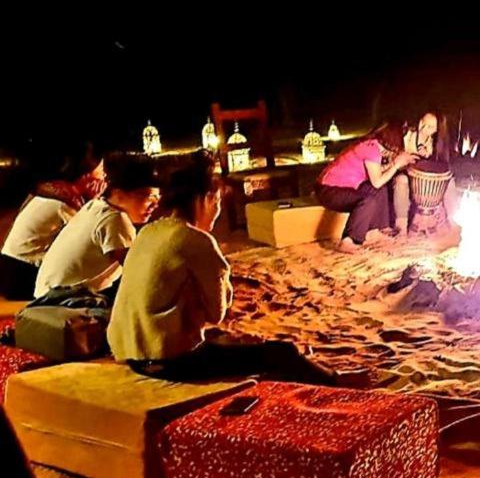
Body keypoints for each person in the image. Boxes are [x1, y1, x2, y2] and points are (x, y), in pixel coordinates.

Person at [109, 151, 338, 385]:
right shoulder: (195, 240)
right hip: (169, 361)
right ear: (205, 198)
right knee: (282, 353)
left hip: (131, 353)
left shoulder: (149, 231)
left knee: (237, 345)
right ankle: (339, 383)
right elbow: (217, 313)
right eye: (217, 202)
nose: (217, 212)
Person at [33, 153, 159, 299]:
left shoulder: (96, 206)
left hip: (51, 294)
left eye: (157, 197)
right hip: (60, 301)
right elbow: (137, 271)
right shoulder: (114, 219)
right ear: (118, 193)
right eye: (147, 196)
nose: (154, 204)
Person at [0, 147, 106, 299]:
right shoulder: (63, 203)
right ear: (86, 175)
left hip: (10, 268)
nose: (104, 176)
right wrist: (95, 199)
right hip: (21, 274)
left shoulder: (54, 191)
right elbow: (85, 234)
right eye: (101, 170)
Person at [315, 122, 418, 252]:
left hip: (338, 188)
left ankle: (377, 231)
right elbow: (377, 181)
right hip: (328, 191)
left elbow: (377, 173)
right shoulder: (371, 149)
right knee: (367, 199)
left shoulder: (373, 145)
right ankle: (349, 240)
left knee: (379, 189)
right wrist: (396, 165)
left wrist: (394, 163)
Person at [392, 110, 458, 233]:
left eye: (430, 126)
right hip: (404, 174)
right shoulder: (406, 136)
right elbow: (395, 158)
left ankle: (453, 221)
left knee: (449, 180)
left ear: (436, 130)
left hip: (422, 181)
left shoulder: (434, 144)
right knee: (401, 180)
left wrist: (426, 157)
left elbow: (438, 167)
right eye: (423, 122)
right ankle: (401, 226)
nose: (423, 128)